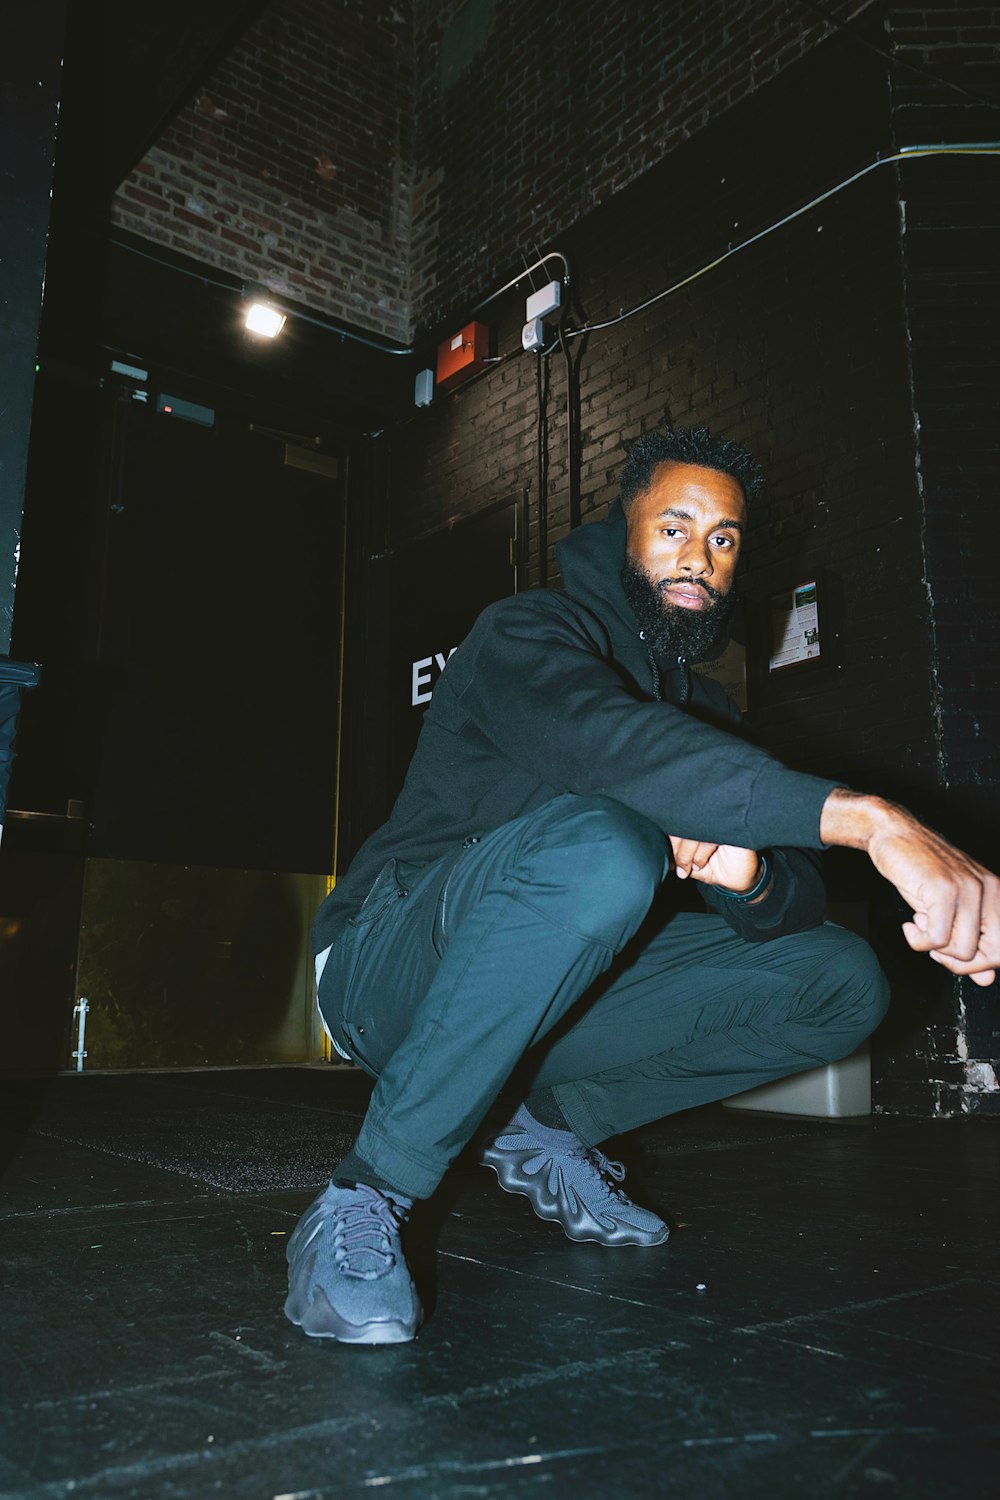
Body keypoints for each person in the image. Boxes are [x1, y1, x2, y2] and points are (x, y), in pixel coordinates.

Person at [284, 424, 999, 1345]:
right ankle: (367, 1189)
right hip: (385, 966)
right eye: (675, 527)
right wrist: (875, 821)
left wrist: (744, 872)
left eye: (725, 538)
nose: (699, 555)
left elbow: (793, 902)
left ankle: (535, 1119)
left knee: (840, 979)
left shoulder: (705, 713)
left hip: (542, 1008)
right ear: (623, 533)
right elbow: (605, 742)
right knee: (604, 848)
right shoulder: (526, 633)